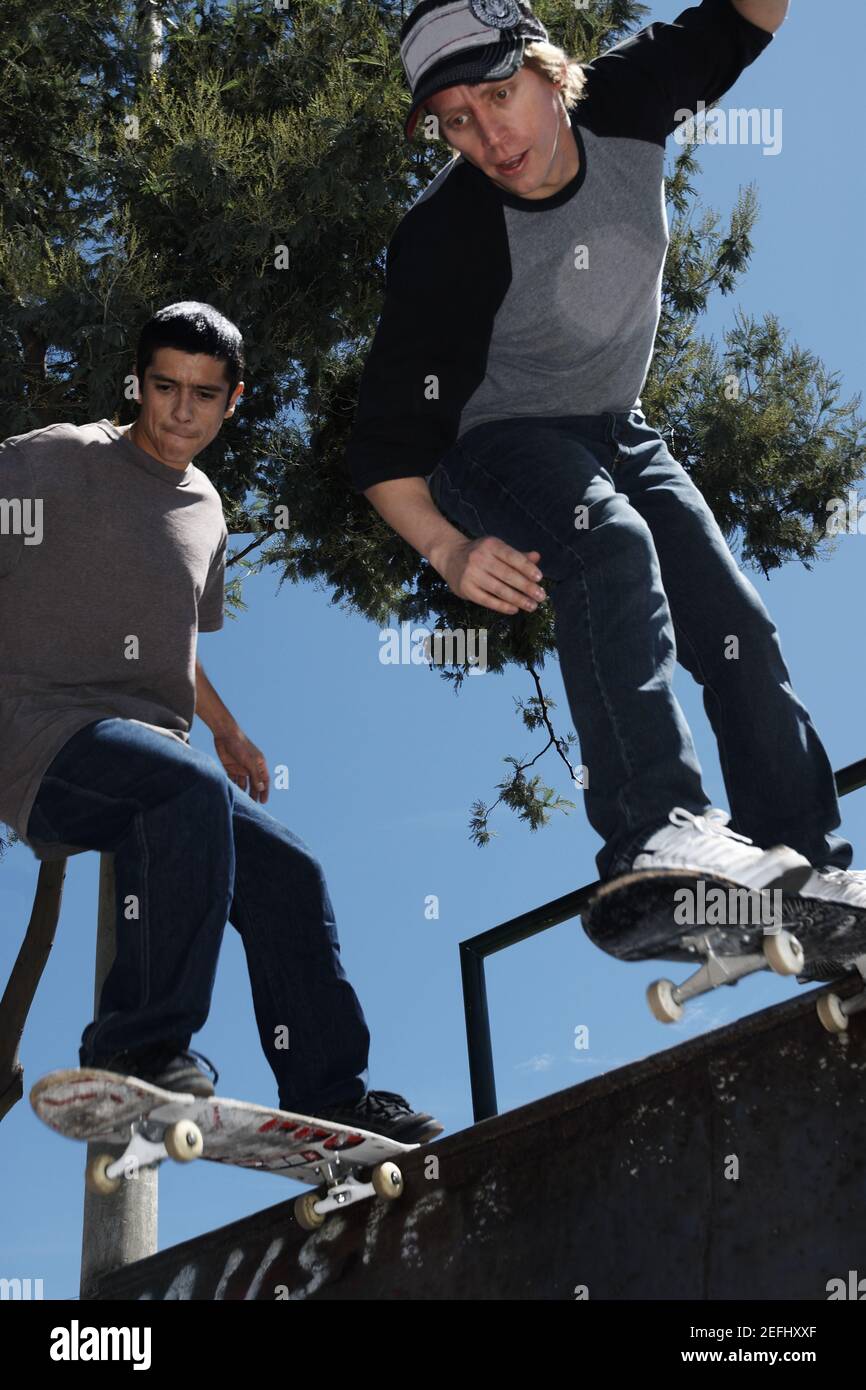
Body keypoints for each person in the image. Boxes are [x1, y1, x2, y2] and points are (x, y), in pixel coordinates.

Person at [346, 0, 866, 923]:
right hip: (498, 448)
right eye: (458, 120)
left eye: (502, 95)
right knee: (610, 545)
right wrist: (448, 551)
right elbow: (387, 444)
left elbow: (753, 15)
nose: (490, 135)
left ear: (551, 73)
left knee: (734, 623)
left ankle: (805, 867)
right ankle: (655, 833)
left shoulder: (631, 91)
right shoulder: (440, 238)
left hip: (618, 430)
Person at [0, 301, 441, 1142]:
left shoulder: (205, 508)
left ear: (233, 401)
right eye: (164, 387)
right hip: (36, 733)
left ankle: (326, 1092)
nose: (180, 411)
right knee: (182, 788)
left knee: (288, 873)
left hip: (154, 756)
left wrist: (230, 733)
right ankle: (135, 1048)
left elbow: (176, 648)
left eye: (203, 394)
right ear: (138, 384)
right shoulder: (55, 460)